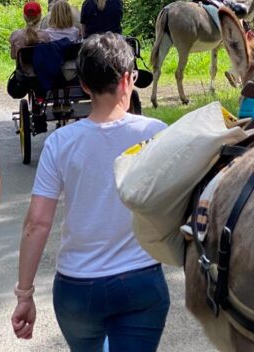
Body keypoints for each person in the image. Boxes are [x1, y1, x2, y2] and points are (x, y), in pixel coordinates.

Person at [11, 33, 169, 351]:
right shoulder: (156, 134)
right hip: (139, 281)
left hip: (77, 288)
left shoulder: (60, 142)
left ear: (84, 85)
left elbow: (37, 223)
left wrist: (25, 293)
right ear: (129, 79)